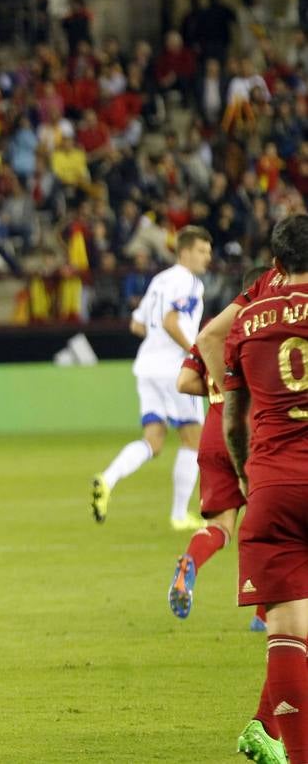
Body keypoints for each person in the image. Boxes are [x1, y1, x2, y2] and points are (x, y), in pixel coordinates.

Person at [222, 214, 308, 764]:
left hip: (273, 484)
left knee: (287, 632)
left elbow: (232, 420)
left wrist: (244, 476)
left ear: (274, 266)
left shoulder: (248, 319)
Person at [169, 266, 272, 624]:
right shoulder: (267, 327)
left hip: (214, 429)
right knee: (272, 524)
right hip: (254, 429)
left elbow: (183, 382)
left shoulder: (212, 330)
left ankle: (190, 562)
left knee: (221, 526)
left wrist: (219, 391)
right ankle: (262, 612)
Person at [92, 226, 213, 529]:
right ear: (184, 251)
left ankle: (107, 478)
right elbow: (171, 321)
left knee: (153, 440)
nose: (207, 258)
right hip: (175, 371)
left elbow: (137, 325)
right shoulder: (190, 283)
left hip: (146, 366)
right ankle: (178, 515)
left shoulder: (159, 280)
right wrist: (195, 352)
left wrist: (159, 337)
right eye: (202, 251)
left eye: (209, 252)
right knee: (193, 439)